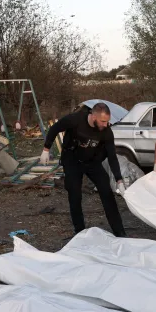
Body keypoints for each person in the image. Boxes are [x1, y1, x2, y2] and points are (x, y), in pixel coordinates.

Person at [39, 102, 127, 237]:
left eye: (107, 121)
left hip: (93, 162)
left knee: (107, 193)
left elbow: (112, 156)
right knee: (75, 195)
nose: (105, 124)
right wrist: (46, 148)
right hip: (72, 160)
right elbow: (55, 128)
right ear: (93, 117)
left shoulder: (106, 131)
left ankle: (119, 231)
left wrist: (119, 180)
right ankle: (80, 232)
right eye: (103, 121)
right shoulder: (75, 119)